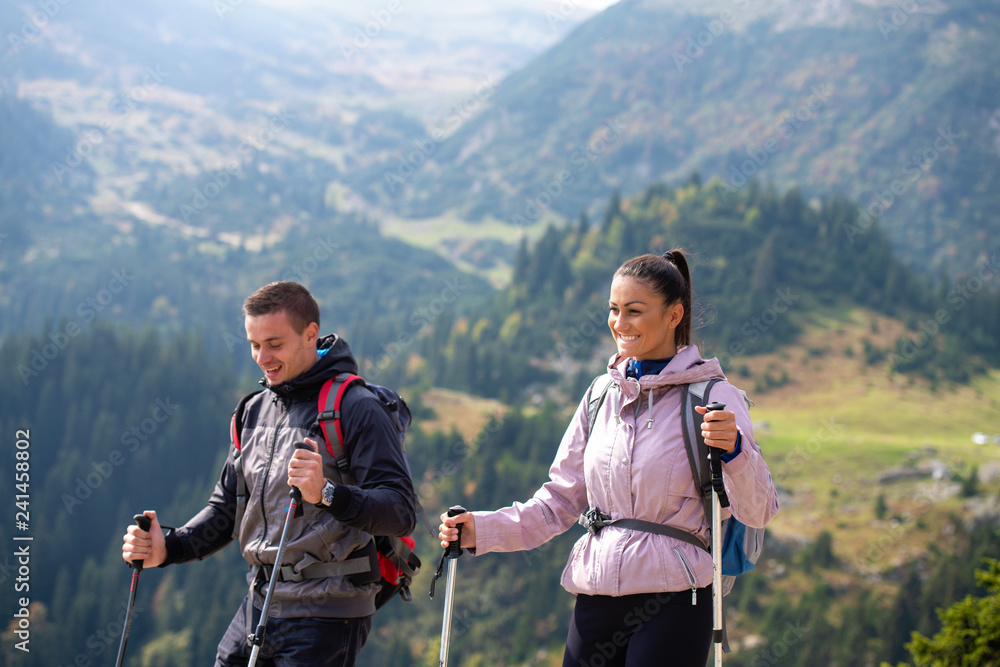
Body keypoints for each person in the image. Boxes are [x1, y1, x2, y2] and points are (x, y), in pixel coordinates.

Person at [439, 251, 779, 666]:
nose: (620, 323)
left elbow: (759, 510)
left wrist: (737, 450)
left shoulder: (714, 397)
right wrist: (482, 529)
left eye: (634, 311)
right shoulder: (600, 394)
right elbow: (558, 504)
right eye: (614, 310)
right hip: (596, 595)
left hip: (677, 598)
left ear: (674, 315)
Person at [122, 281, 416, 667]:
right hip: (259, 605)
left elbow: (399, 511)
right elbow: (226, 510)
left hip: (328, 615)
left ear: (310, 335)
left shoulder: (357, 408)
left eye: (274, 344)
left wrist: (326, 493)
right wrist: (169, 548)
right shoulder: (253, 411)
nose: (261, 357)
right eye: (253, 344)